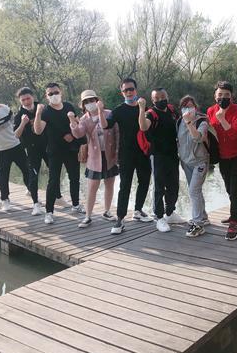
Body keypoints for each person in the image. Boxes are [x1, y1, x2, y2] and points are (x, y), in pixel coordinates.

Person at [0, 92, 42, 216]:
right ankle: (5, 200)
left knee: (27, 172)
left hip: (17, 146)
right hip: (2, 151)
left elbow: (13, 122)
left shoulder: (3, 109)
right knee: (3, 177)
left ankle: (35, 200)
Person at [104, 78, 154, 235]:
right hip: (126, 153)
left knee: (144, 181)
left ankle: (138, 210)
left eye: (131, 89)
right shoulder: (118, 110)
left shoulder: (145, 108)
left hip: (143, 152)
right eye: (125, 90)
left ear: (136, 90)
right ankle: (120, 219)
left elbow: (151, 127)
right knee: (125, 185)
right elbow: (106, 125)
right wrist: (99, 110)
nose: (129, 92)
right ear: (122, 93)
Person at [33, 83, 84, 225]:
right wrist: (38, 113)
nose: (54, 95)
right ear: (46, 96)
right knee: (53, 181)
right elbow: (38, 131)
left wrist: (72, 135)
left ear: (60, 92)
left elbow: (78, 124)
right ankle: (49, 212)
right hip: (55, 151)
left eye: (56, 92)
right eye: (50, 94)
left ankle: (76, 205)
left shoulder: (68, 106)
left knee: (74, 178)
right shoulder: (46, 111)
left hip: (71, 149)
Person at [68, 90, 119, 228]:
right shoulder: (84, 119)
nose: (90, 103)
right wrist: (72, 120)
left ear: (97, 100)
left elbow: (116, 133)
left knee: (109, 184)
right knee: (92, 187)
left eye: (92, 100)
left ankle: (107, 211)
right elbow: (78, 134)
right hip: (95, 157)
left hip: (109, 155)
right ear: (83, 105)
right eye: (86, 102)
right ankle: (88, 216)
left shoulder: (109, 114)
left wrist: (117, 153)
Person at [138, 88, 185, 233]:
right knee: (159, 186)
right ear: (153, 100)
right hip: (158, 155)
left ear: (167, 96)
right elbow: (143, 126)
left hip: (172, 154)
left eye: (163, 96)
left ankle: (170, 213)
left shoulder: (172, 110)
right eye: (157, 98)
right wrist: (141, 108)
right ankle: (159, 217)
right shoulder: (150, 113)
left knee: (174, 185)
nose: (160, 100)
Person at [207, 81, 237, 241]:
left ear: (232, 96)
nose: (223, 98)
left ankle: (234, 223)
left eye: (227, 95)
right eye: (220, 95)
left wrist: (222, 119)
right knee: (229, 188)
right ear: (215, 96)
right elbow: (210, 132)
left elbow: (235, 135)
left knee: (236, 190)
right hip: (222, 156)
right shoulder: (211, 110)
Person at [13, 87, 63, 204]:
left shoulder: (43, 108)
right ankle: (35, 202)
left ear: (33, 97)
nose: (26, 101)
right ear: (20, 101)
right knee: (34, 175)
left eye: (28, 98)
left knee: (54, 172)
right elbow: (16, 135)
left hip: (47, 146)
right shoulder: (19, 115)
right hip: (32, 149)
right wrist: (23, 123)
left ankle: (58, 197)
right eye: (23, 100)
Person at [177, 95, 210, 237]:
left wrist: (190, 123)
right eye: (185, 106)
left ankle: (198, 224)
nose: (188, 109)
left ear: (195, 107)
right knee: (195, 190)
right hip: (186, 162)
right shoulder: (179, 121)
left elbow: (198, 138)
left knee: (193, 190)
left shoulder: (202, 121)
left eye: (190, 106)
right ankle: (203, 216)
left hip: (200, 162)